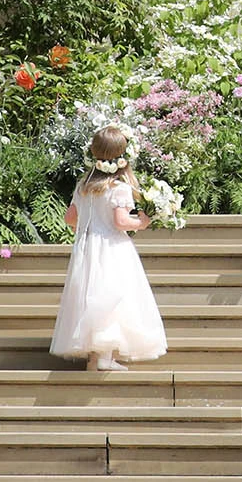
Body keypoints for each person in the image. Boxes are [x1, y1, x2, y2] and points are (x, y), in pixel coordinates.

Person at [51, 125, 166, 373]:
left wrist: (89, 226)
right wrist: (142, 223)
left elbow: (70, 218)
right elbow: (121, 222)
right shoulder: (119, 188)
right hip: (112, 248)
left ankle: (95, 357)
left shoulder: (83, 186)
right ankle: (104, 356)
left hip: (87, 247)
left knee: (92, 296)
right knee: (111, 298)